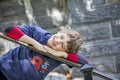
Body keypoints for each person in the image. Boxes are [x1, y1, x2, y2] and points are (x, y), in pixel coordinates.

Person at [0, 24, 89, 80]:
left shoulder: (61, 56)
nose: (58, 41)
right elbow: (10, 30)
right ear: (60, 32)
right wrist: (35, 44)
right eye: (61, 37)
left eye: (62, 45)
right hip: (4, 69)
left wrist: (62, 54)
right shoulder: (37, 32)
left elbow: (85, 63)